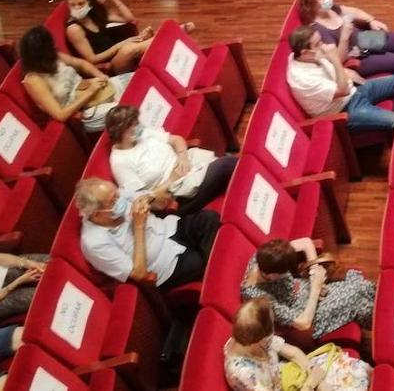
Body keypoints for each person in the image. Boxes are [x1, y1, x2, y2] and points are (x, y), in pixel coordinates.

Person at [75, 177, 221, 290]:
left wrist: (147, 199)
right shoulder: (94, 243)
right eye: (112, 202)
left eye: (117, 195)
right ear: (96, 215)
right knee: (198, 261)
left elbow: (158, 199)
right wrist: (139, 226)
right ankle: (221, 278)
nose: (119, 200)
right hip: (164, 264)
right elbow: (139, 274)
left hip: (169, 228)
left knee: (209, 218)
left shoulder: (117, 195)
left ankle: (220, 271)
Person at [103, 105, 238, 215]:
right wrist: (172, 179)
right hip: (176, 192)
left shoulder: (143, 133)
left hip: (188, 163)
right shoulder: (120, 162)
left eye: (137, 123)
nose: (139, 127)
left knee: (230, 165)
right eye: (133, 125)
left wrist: (183, 156)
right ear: (121, 132)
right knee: (228, 165)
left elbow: (175, 139)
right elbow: (142, 199)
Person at [240, 237, 376, 340]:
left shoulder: (264, 256)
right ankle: (386, 325)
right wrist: (316, 290)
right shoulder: (258, 296)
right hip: (308, 312)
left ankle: (388, 312)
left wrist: (314, 271)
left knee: (360, 287)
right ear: (272, 275)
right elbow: (303, 323)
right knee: (356, 297)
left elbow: (305, 242)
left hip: (308, 289)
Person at [224, 298, 371, 391]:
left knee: (356, 367)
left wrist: (311, 369)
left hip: (292, 374)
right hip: (293, 386)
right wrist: (312, 384)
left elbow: (292, 352)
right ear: (260, 338)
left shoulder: (251, 336)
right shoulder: (243, 374)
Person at [285, 25, 394, 132]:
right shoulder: (303, 79)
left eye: (321, 41)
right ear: (305, 52)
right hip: (345, 109)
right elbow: (343, 91)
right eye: (318, 44)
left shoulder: (301, 55)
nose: (324, 46)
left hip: (354, 91)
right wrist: (334, 58)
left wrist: (349, 73)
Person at [18, 25, 133, 132]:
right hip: (81, 112)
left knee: (139, 83)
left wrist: (100, 75)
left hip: (93, 88)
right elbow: (60, 115)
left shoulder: (54, 56)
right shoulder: (34, 80)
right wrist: (90, 91)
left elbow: (81, 64)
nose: (53, 48)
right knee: (130, 109)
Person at [297, 0, 394, 77]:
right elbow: (338, 60)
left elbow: (352, 11)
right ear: (312, 4)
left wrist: (371, 20)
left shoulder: (330, 9)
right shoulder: (319, 30)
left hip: (364, 39)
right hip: (357, 57)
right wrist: (344, 38)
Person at [63, 0, 156, 73]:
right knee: (134, 48)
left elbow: (129, 19)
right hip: (109, 64)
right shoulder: (74, 29)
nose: (77, 8)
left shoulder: (93, 14)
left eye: (81, 3)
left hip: (118, 51)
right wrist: (119, 46)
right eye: (72, 5)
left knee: (151, 40)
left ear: (89, 1)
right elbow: (92, 59)